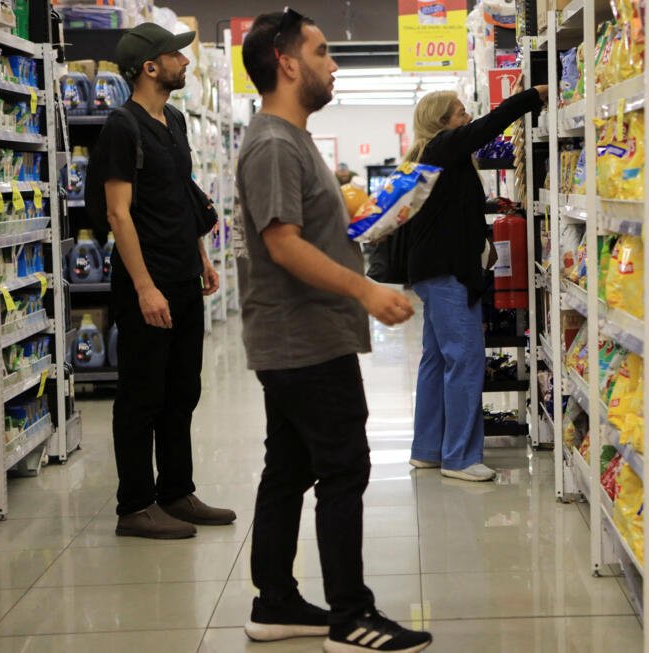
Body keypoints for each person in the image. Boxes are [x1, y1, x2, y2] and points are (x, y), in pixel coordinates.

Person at [236, 10, 431, 653]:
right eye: (321, 52)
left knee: (289, 468)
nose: (333, 62)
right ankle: (351, 616)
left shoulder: (291, 139)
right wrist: (366, 290)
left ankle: (276, 603)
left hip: (303, 336)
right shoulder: (272, 143)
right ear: (287, 63)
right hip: (304, 338)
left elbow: (303, 234)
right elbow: (283, 246)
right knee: (344, 467)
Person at [96, 23, 235, 539]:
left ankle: (177, 492)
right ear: (150, 67)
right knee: (141, 395)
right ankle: (135, 505)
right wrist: (145, 286)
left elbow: (181, 195)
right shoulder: (121, 126)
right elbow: (118, 214)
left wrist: (201, 256)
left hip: (182, 274)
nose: (185, 61)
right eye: (175, 54)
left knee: (183, 389)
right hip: (145, 282)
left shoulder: (174, 119)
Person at [403, 85, 548, 482]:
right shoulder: (442, 148)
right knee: (466, 359)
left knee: (436, 360)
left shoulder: (432, 157)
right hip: (447, 272)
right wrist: (531, 96)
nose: (467, 118)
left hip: (434, 270)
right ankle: (461, 457)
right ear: (442, 123)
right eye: (460, 113)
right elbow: (488, 127)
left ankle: (428, 449)